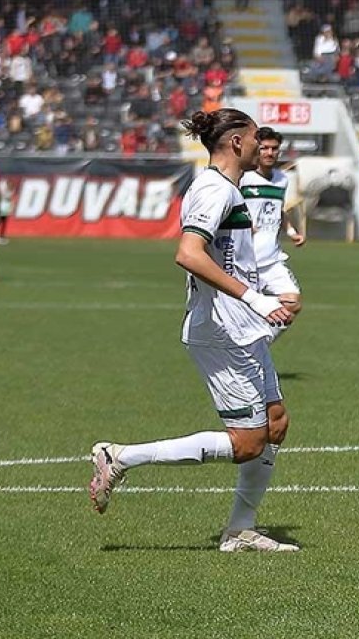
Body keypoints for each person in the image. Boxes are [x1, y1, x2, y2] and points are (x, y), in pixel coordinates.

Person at [87, 108, 300, 553]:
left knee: (275, 424)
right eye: (256, 137)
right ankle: (120, 457)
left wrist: (270, 293)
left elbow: (231, 255)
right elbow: (189, 254)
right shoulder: (211, 190)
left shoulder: (228, 188)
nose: (263, 146)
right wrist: (254, 298)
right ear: (237, 143)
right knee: (247, 443)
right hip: (220, 328)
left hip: (244, 327)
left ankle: (239, 530)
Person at [240, 127, 305, 341]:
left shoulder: (281, 179)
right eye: (264, 148)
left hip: (271, 259)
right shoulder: (244, 179)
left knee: (292, 303)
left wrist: (292, 232)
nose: (269, 153)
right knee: (239, 315)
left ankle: (256, 348)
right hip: (244, 261)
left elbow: (278, 210)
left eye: (274, 148)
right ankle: (245, 352)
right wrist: (243, 222)